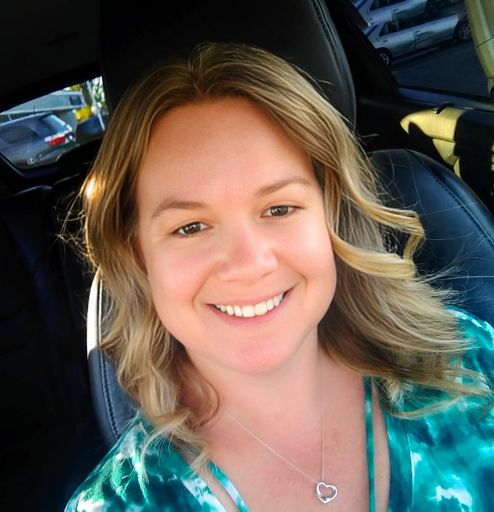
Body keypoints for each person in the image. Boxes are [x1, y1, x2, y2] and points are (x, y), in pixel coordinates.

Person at [65, 41, 494, 512]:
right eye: (190, 227)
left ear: (331, 214)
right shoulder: (117, 505)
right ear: (138, 254)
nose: (249, 263)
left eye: (279, 208)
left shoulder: (469, 367)